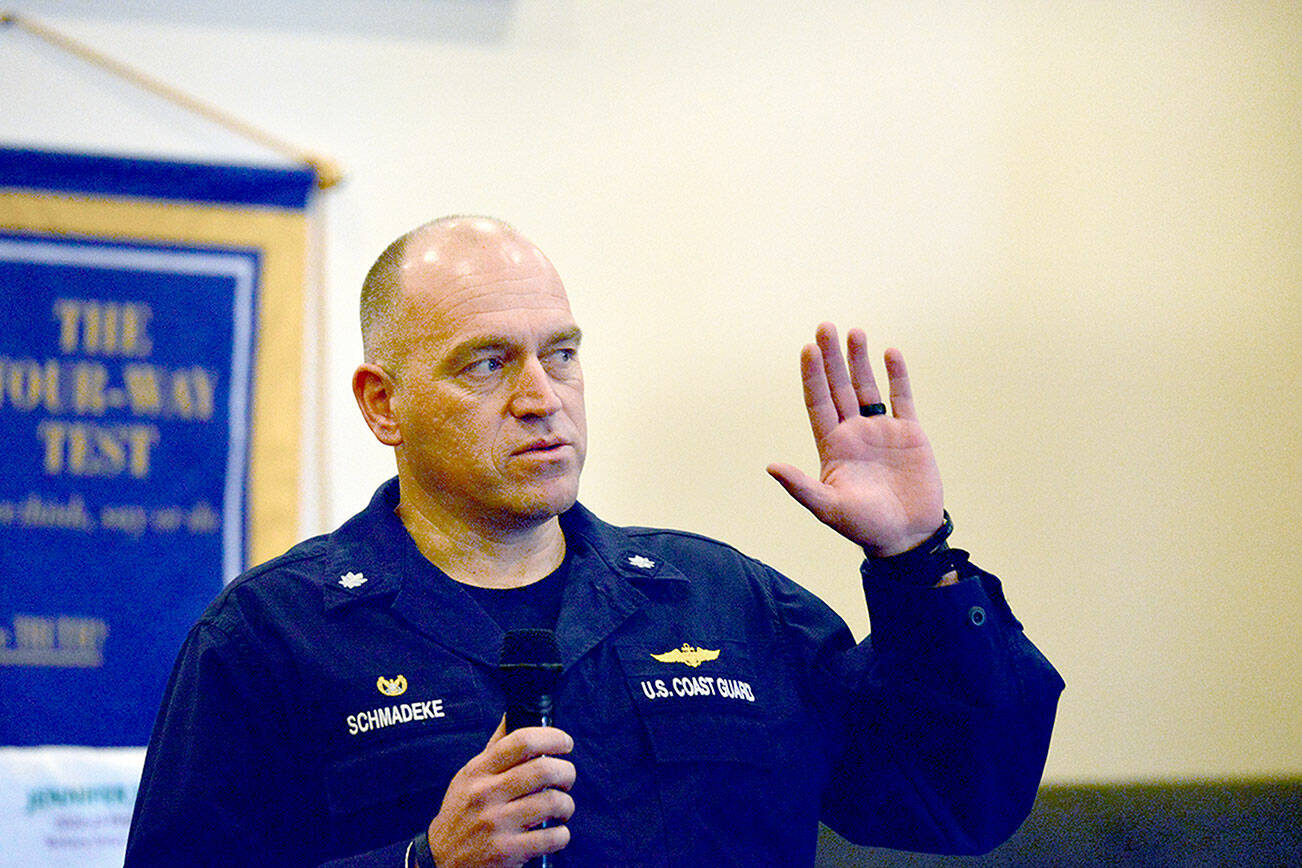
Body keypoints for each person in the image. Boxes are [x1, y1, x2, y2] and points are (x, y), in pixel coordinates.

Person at [125, 216, 1063, 867]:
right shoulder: (269, 639)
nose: (541, 395)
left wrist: (919, 561)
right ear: (384, 406)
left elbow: (959, 799)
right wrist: (423, 862)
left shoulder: (721, 603)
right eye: (487, 363)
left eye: (561, 353)